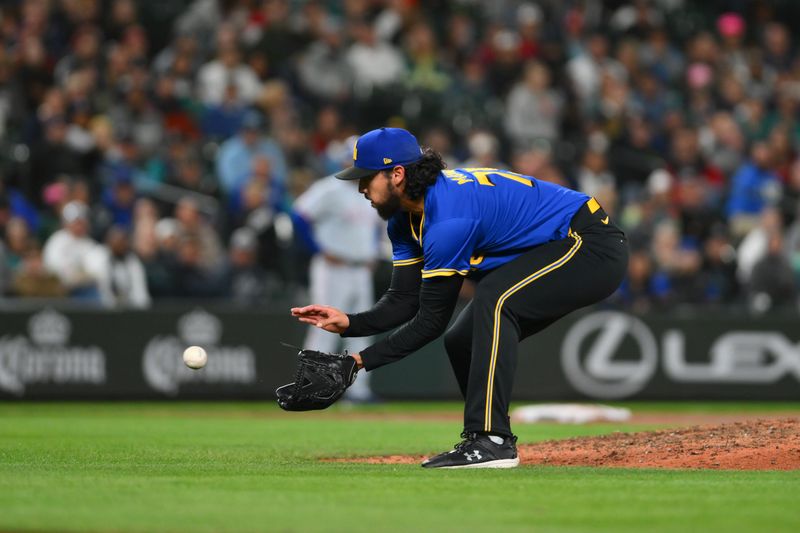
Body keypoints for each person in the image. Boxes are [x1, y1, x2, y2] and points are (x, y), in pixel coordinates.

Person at [291, 128, 628, 468]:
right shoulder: (404, 220)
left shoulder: (448, 218)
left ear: (397, 174)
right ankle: (489, 437)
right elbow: (404, 300)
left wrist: (357, 363)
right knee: (461, 340)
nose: (361, 187)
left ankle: (491, 440)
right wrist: (351, 323)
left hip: (589, 243)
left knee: (495, 301)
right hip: (556, 245)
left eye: (367, 178)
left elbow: (430, 320)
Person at [293, 136, 385, 402]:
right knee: (324, 326)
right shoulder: (330, 188)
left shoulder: (370, 189)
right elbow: (298, 216)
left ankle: (359, 391)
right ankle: (311, 388)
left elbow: (373, 229)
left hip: (360, 270)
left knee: (363, 329)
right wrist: (319, 249)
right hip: (333, 268)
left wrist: (371, 253)